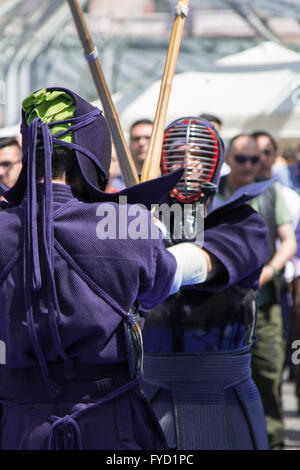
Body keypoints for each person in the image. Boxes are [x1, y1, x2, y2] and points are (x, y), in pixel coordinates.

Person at [0, 88, 212, 450]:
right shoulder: (127, 224)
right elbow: (161, 285)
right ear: (91, 154)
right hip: (109, 425)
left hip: (18, 427)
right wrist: (150, 232)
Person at [142, 117, 272, 450]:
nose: (186, 164)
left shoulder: (242, 222)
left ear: (213, 164)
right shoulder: (140, 220)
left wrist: (142, 244)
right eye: (177, 155)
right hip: (150, 386)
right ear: (164, 162)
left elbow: (193, 266)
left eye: (196, 155)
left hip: (220, 390)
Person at [218, 133, 297, 449]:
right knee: (223, 380)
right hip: (221, 308)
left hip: (264, 307)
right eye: (243, 159)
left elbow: (288, 241)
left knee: (268, 377)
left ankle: (273, 441)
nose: (251, 165)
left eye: (257, 159)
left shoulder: (270, 192)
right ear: (228, 160)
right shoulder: (214, 194)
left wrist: (270, 270)